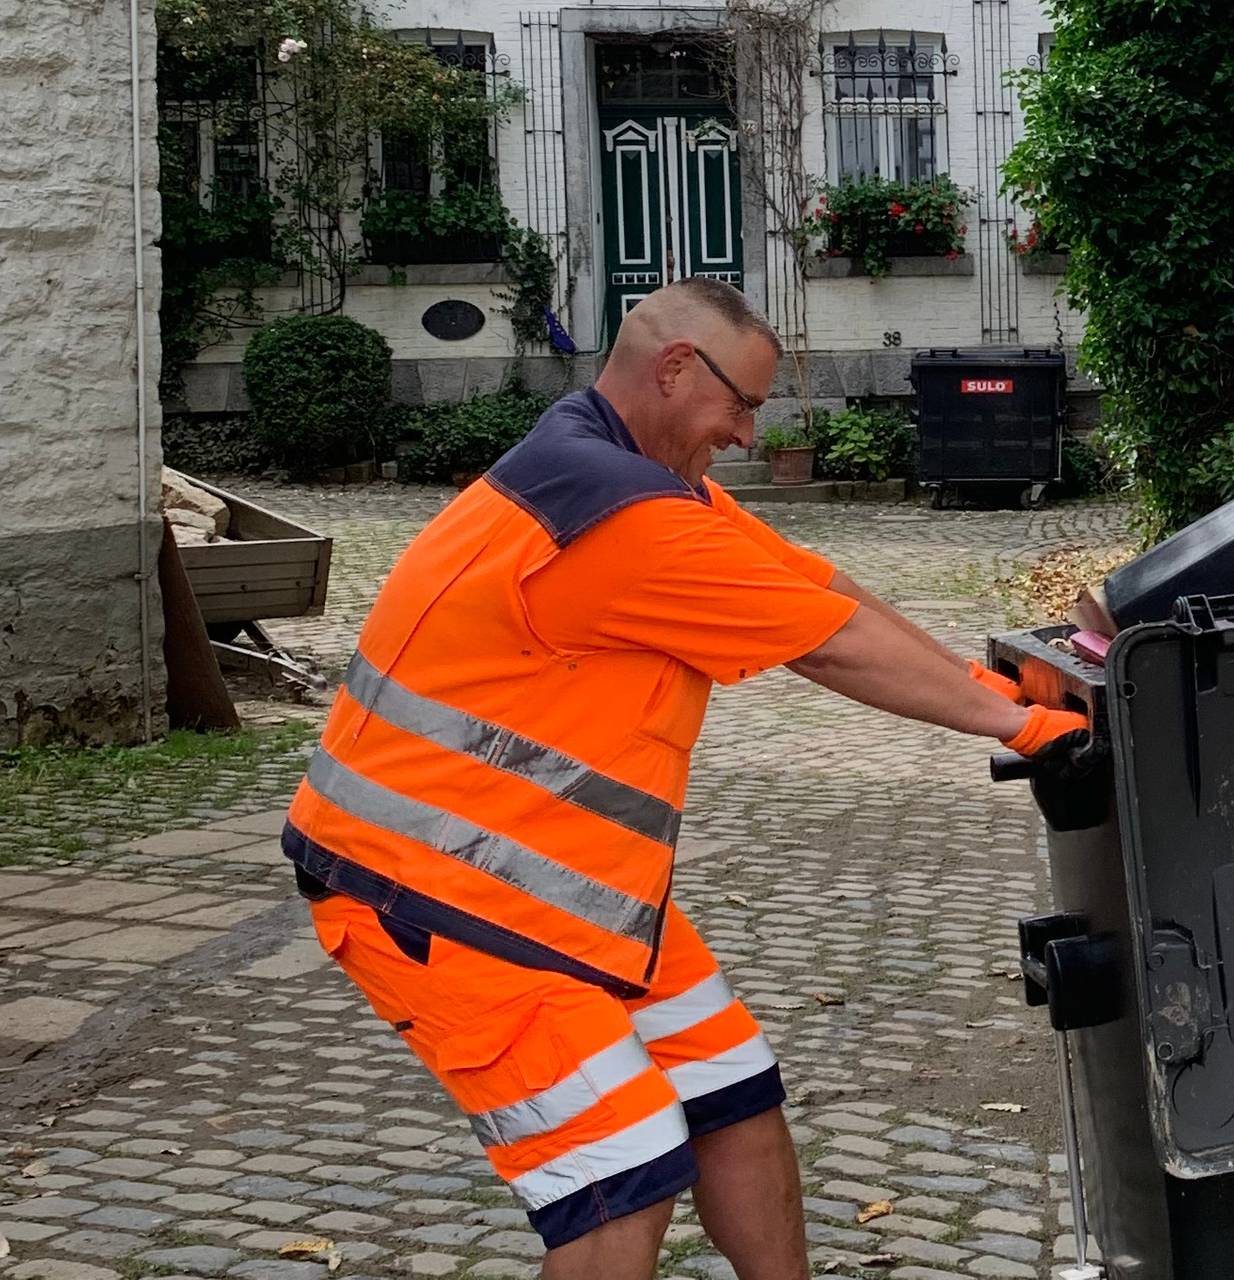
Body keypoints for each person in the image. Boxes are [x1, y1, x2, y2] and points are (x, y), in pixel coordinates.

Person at [280, 279, 1087, 1280]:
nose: (750, 432)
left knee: (733, 1093)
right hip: (432, 896)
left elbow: (817, 590)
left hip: (564, 880)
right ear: (673, 370)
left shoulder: (628, 468)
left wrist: (993, 683)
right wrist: (1026, 722)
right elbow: (829, 648)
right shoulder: (619, 519)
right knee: (623, 1168)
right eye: (742, 404)